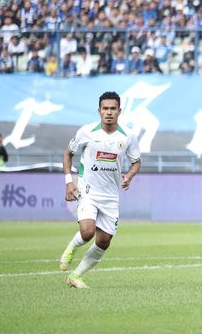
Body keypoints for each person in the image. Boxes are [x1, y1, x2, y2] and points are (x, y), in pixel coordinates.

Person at [60, 92, 142, 288]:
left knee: (104, 241)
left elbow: (136, 162)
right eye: (105, 109)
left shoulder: (128, 135)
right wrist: (69, 182)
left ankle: (76, 276)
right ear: (99, 111)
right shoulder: (86, 131)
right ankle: (71, 248)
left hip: (111, 196)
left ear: (119, 111)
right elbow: (68, 153)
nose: (109, 113)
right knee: (87, 232)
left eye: (113, 109)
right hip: (88, 190)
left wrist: (129, 176)